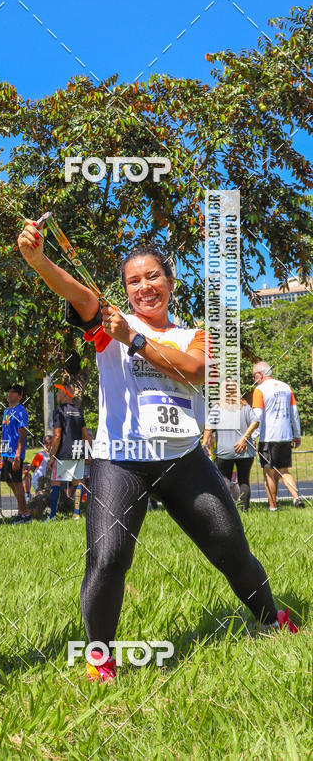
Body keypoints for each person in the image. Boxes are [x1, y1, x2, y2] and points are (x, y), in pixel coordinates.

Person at [17, 222, 299, 683]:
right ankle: (99, 660)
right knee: (107, 558)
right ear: (125, 290)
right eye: (133, 280)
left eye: (153, 277)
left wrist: (135, 338)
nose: (144, 286)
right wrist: (38, 261)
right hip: (119, 459)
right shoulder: (106, 324)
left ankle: (271, 618)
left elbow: (195, 371)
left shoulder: (195, 334)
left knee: (231, 549)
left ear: (170, 282)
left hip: (183, 460)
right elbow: (78, 292)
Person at [251, 362, 305, 510]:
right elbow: (294, 412)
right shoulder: (286, 387)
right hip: (285, 436)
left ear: (260, 375)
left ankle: (273, 507)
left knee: (269, 473)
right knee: (284, 471)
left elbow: (258, 415)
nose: (253, 380)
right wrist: (297, 434)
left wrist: (253, 436)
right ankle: (296, 498)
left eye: (254, 376)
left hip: (268, 438)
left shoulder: (259, 390)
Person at [202, 379, 259, 511]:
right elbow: (256, 422)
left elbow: (208, 427)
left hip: (224, 450)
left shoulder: (218, 407)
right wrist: (245, 437)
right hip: (244, 450)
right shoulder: (245, 406)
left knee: (224, 478)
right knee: (244, 480)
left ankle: (227, 510)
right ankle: (244, 510)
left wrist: (204, 444)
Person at [46, 385, 91, 521]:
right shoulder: (78, 411)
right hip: (78, 451)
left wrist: (52, 456)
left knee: (55, 483)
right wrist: (88, 453)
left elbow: (57, 436)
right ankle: (76, 514)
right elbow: (85, 435)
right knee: (78, 481)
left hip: (63, 452)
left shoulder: (59, 411)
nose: (57, 394)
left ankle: (52, 516)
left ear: (65, 394)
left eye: (59, 392)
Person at [0, 384, 30, 523]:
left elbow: (22, 434)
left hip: (15, 454)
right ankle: (22, 509)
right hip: (6, 452)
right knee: (9, 481)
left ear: (20, 396)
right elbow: (5, 433)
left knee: (16, 482)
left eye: (13, 392)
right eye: (9, 391)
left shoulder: (21, 411)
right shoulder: (6, 411)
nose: (9, 394)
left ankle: (24, 514)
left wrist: (18, 455)